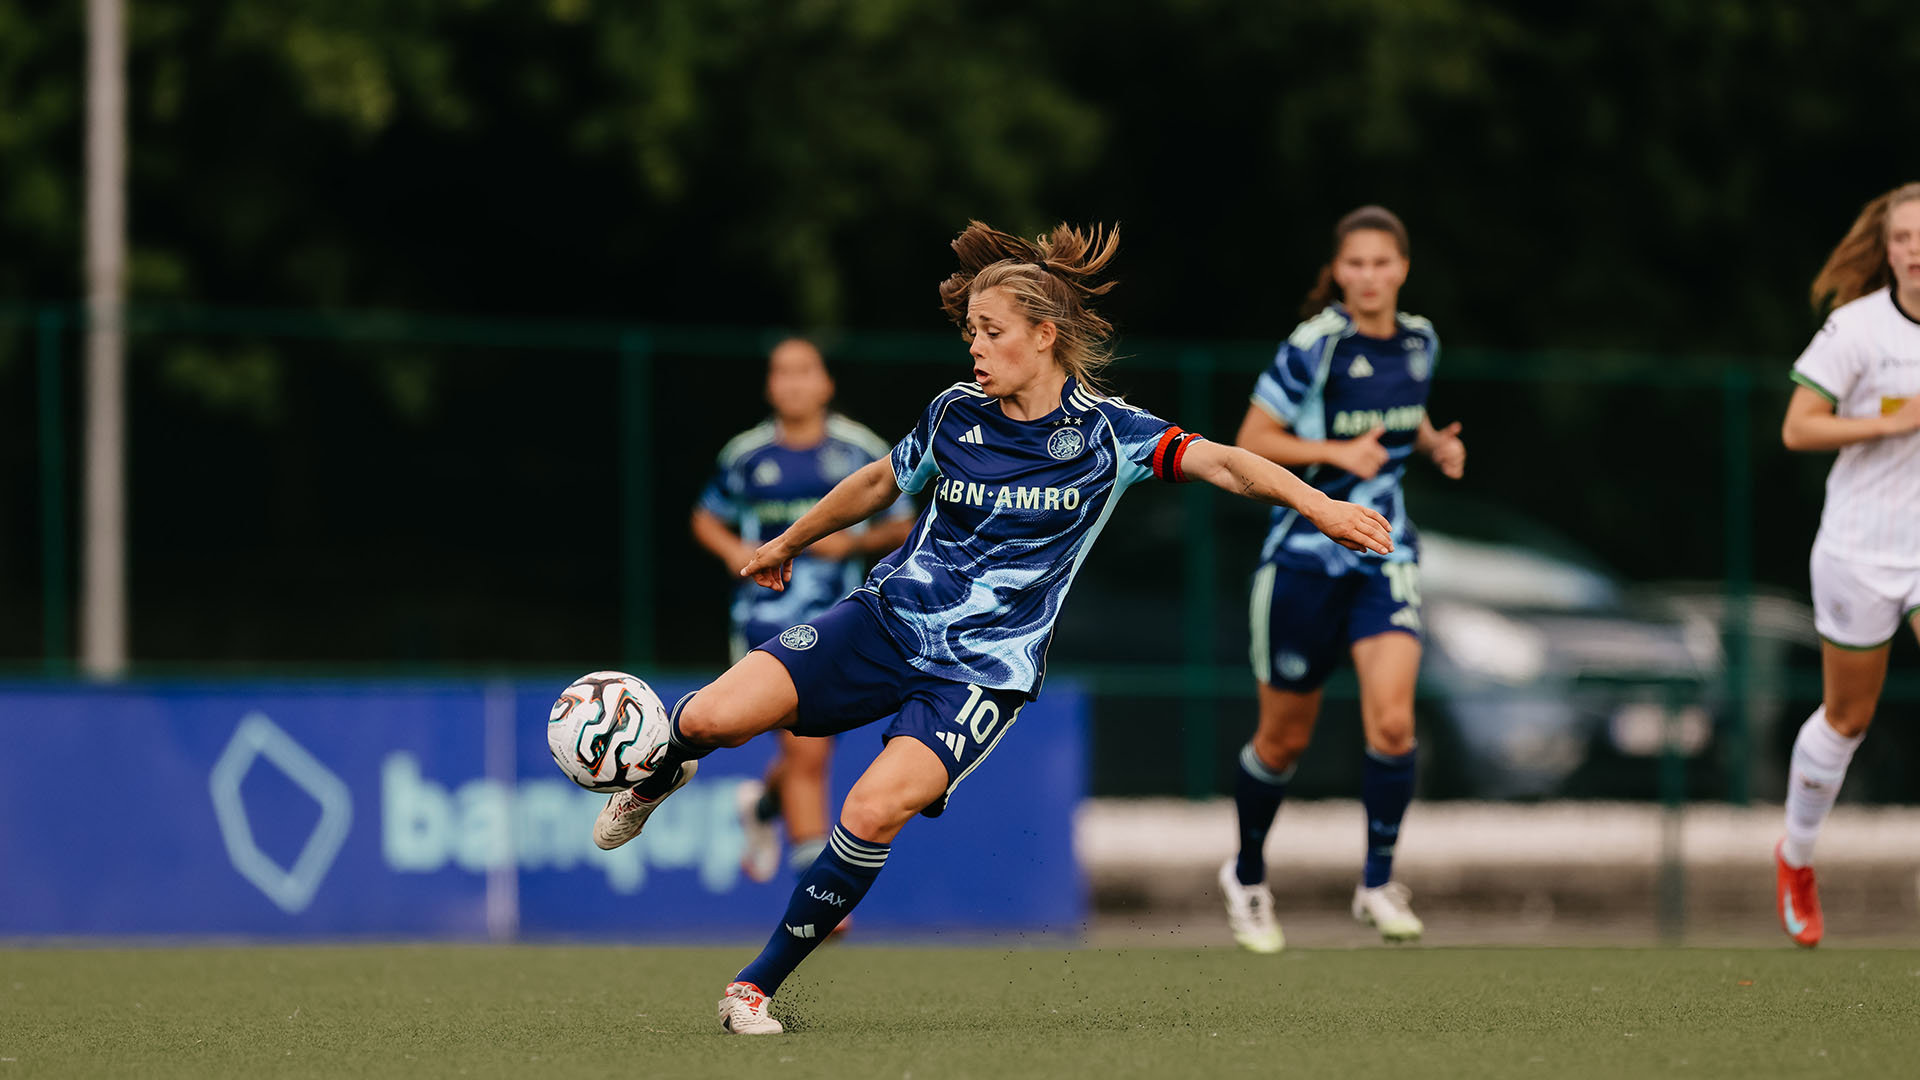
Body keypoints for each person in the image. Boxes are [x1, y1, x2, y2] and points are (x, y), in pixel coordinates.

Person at [592, 219, 1394, 1034]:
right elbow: (877, 482)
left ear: (1044, 336)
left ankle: (754, 987)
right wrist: (790, 542)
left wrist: (1320, 504)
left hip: (981, 674)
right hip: (884, 622)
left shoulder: (1107, 436)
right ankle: (660, 774)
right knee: (707, 717)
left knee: (871, 811)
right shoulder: (954, 413)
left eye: (991, 332)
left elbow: (1224, 460)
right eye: (970, 331)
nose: (974, 348)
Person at [1217, 206, 1465, 953]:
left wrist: (1432, 445)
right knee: (1283, 741)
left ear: (1403, 269)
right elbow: (1250, 442)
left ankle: (1378, 882)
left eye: (1382, 263)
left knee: (1392, 723)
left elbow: (1402, 418)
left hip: (1385, 557)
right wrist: (1335, 451)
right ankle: (1249, 876)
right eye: (1354, 264)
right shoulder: (1316, 345)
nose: (1368, 277)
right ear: (1339, 271)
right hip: (1301, 560)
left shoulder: (1421, 341)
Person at [689, 338, 915, 887]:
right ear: (770, 385)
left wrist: (853, 545)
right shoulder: (745, 455)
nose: (792, 383)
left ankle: (763, 808)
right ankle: (818, 888)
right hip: (761, 620)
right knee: (805, 751)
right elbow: (705, 517)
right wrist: (732, 552)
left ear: (825, 384)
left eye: (803, 371)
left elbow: (905, 522)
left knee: (803, 751)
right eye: (781, 372)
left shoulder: (859, 449)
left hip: (837, 618)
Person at [1775, 181, 1920, 948]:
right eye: (1905, 239)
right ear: (1888, 249)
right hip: (1860, 549)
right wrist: (1891, 422)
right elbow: (1799, 429)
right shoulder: (1855, 330)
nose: (1918, 251)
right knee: (1848, 718)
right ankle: (1796, 857)